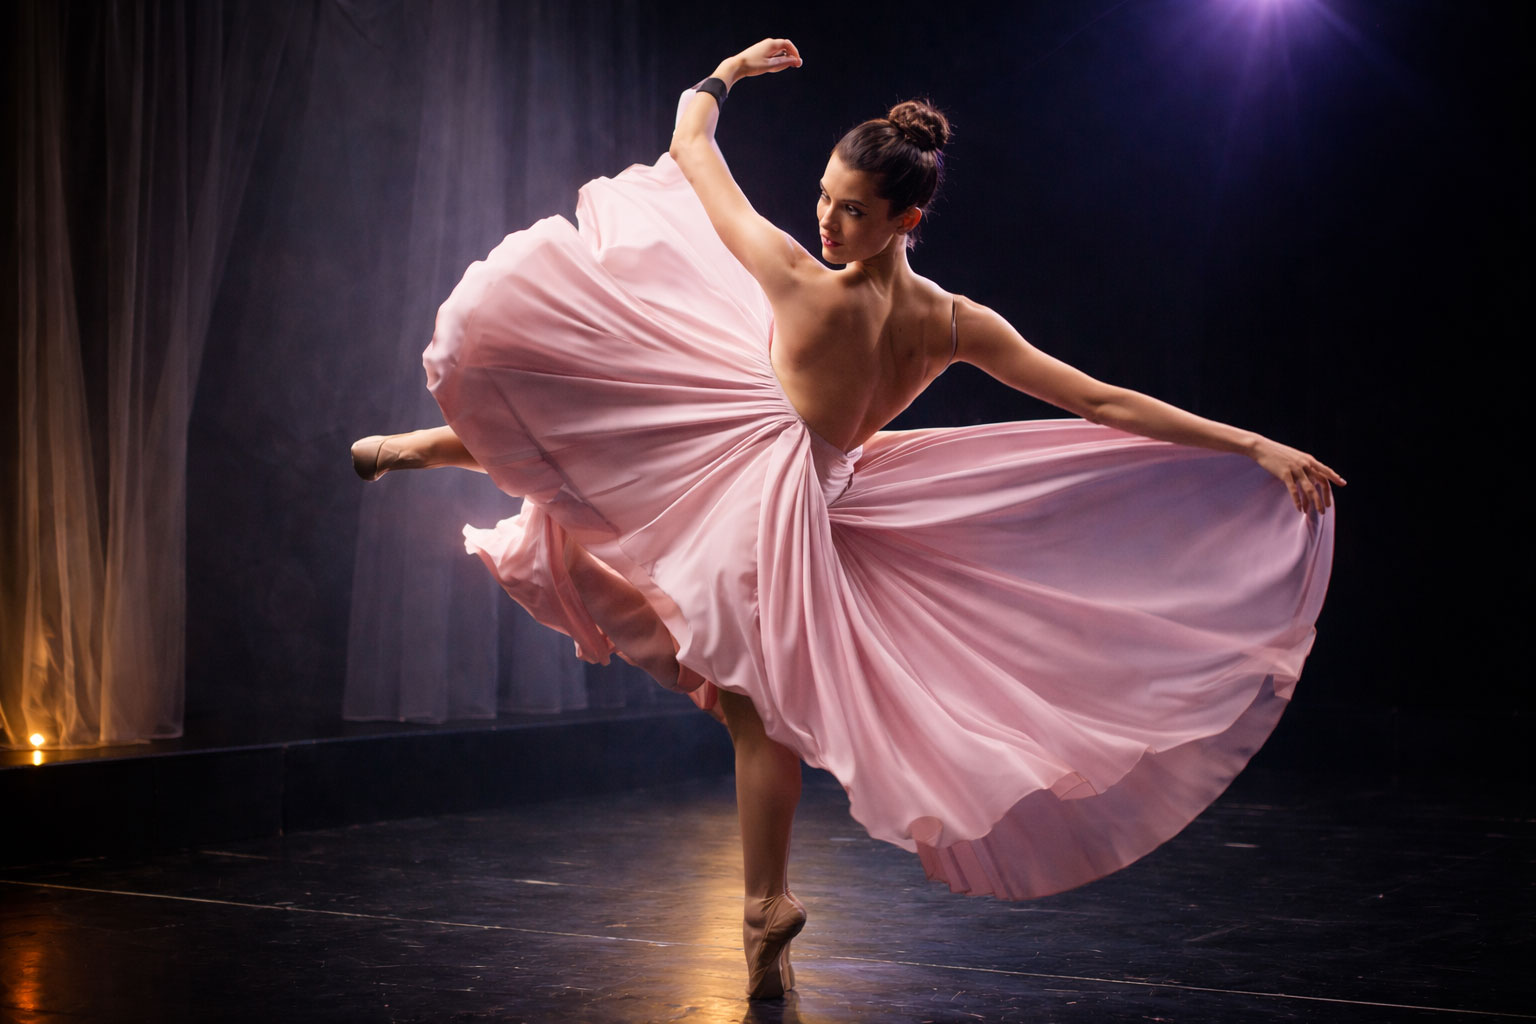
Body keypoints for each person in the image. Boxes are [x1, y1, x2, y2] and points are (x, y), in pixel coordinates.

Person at [351, 38, 1341, 1001]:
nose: (826, 219)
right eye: (824, 197)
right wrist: (1256, 444)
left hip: (780, 489)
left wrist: (727, 75)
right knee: (621, 447)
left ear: (904, 217)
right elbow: (1103, 400)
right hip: (787, 459)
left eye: (852, 211)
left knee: (731, 662)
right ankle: (762, 902)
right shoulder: (953, 321)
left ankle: (765, 901)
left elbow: (693, 147)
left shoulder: (799, 285)